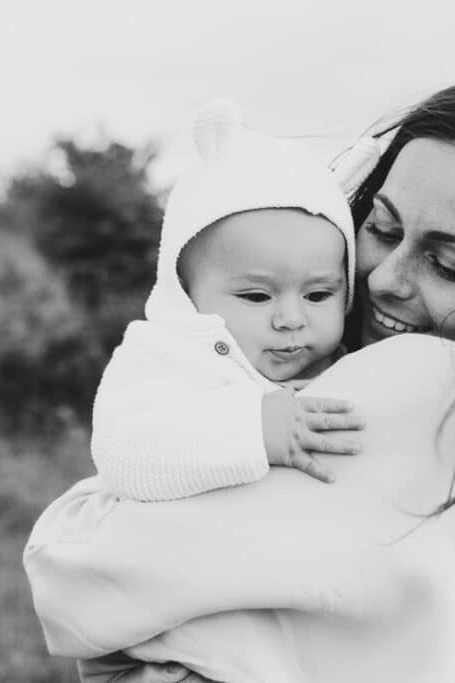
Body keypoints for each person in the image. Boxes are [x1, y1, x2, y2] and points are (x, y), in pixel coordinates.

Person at [24, 70, 455, 683]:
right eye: (381, 228)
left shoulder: (414, 391)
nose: (384, 279)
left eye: (448, 263)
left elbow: (70, 582)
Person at [90, 99, 380, 502]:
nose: (291, 319)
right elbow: (122, 453)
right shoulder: (168, 356)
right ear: (185, 292)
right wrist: (255, 429)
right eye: (257, 296)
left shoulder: (351, 364)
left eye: (318, 294)